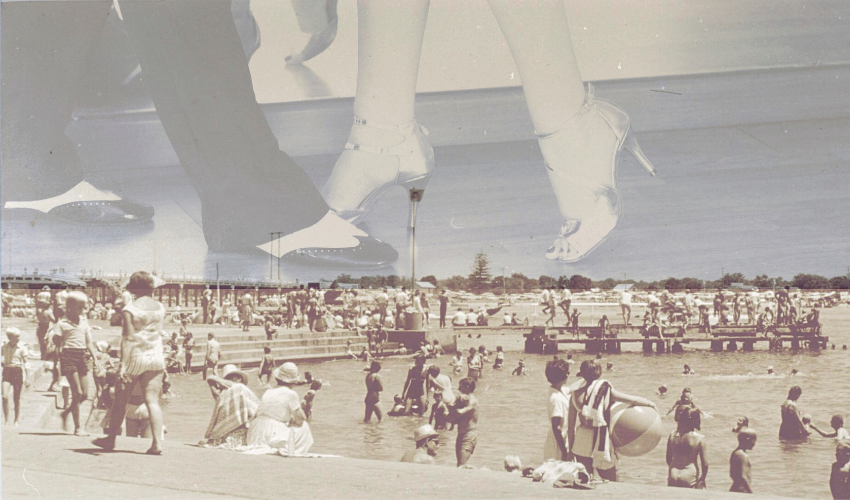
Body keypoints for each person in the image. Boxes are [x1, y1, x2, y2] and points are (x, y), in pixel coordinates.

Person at [92, 271, 165, 454]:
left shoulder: (130, 309)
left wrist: (122, 365)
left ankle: (110, 440)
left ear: (133, 288)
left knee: (120, 401)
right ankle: (157, 444)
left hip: (136, 357)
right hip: (156, 356)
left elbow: (128, 338)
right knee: (152, 401)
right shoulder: (160, 308)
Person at [567, 359, 656, 481]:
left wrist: (570, 449)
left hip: (581, 439)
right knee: (611, 479)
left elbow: (570, 427)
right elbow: (630, 399)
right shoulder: (604, 390)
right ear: (599, 373)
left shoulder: (574, 394)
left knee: (585, 480)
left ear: (582, 373)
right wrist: (650, 403)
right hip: (600, 438)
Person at [54, 292, 101, 436]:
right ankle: (78, 427)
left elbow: (88, 342)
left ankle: (66, 412)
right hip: (68, 356)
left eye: (84, 307)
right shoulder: (62, 324)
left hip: (82, 356)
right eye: (80, 307)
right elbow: (57, 343)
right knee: (77, 393)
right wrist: (57, 361)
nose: (83, 310)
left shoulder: (84, 322)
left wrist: (96, 359)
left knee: (85, 394)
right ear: (70, 307)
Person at [246, 363, 313, 453]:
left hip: (256, 432)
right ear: (294, 381)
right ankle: (295, 451)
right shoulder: (291, 394)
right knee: (304, 426)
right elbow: (300, 420)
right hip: (272, 432)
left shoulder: (268, 391)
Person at [666, 406, 708, 489]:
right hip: (689, 476)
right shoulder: (699, 438)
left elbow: (668, 458)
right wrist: (703, 478)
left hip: (673, 473)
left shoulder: (672, 435)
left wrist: (674, 467)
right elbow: (705, 464)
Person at [447, 377, 479, 467]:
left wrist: (450, 406)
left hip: (469, 434)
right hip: (461, 433)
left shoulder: (472, 401)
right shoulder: (463, 400)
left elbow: (460, 412)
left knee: (462, 464)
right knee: (459, 464)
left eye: (461, 386)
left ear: (467, 387)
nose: (458, 389)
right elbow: (455, 418)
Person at [544, 358, 572, 461]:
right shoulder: (556, 399)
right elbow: (556, 426)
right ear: (564, 375)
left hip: (560, 439)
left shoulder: (559, 390)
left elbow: (574, 387)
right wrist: (564, 451)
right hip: (558, 443)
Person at [2, 328, 29, 426]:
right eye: (16, 337)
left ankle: (16, 419)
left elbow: (26, 363)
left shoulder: (21, 347)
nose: (18, 338)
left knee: (16, 398)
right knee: (4, 396)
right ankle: (6, 419)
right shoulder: (4, 346)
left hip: (17, 371)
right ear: (10, 337)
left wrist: (28, 378)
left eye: (18, 336)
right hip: (7, 371)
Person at [730, 428, 757, 493]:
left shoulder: (735, 453)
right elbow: (743, 477)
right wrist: (752, 493)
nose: (755, 443)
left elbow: (731, 474)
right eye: (754, 440)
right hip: (742, 490)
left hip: (735, 488)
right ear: (748, 440)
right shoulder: (743, 456)